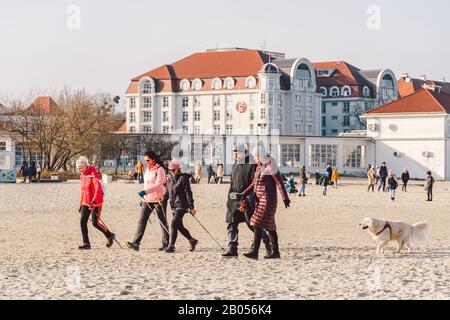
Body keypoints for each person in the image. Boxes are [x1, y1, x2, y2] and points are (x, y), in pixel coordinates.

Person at [238, 142, 290, 260]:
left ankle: (254, 251)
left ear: (260, 155)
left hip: (268, 200)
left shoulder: (271, 166)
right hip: (259, 199)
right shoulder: (259, 166)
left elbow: (279, 182)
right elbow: (253, 184)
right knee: (270, 227)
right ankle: (275, 252)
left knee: (256, 222)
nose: (255, 159)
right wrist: (244, 193)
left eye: (256, 156)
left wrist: (285, 198)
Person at [222, 143, 271, 257]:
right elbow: (232, 184)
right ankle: (232, 248)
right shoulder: (235, 165)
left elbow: (254, 184)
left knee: (252, 224)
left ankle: (267, 243)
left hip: (248, 200)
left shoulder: (252, 164)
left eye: (237, 152)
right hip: (234, 200)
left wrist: (248, 198)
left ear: (244, 153)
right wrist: (229, 198)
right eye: (233, 152)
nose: (235, 154)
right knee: (231, 223)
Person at [127, 151, 170, 251]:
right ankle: (136, 243)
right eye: (145, 160)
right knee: (141, 221)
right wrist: (143, 197)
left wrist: (145, 191)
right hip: (147, 199)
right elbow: (146, 184)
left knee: (162, 222)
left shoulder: (160, 169)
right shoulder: (147, 169)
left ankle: (166, 244)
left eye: (148, 160)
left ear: (153, 159)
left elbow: (159, 185)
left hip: (159, 199)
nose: (146, 162)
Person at [76, 156, 116, 250]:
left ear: (86, 166)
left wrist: (94, 202)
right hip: (86, 202)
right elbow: (82, 191)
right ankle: (86, 243)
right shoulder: (82, 175)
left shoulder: (93, 174)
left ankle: (109, 235)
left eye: (80, 168)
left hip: (96, 202)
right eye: (78, 168)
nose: (79, 170)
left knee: (95, 223)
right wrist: (81, 204)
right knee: (82, 222)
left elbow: (98, 189)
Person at [163, 159, 198, 253]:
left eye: (172, 170)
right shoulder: (169, 179)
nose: (170, 171)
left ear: (177, 169)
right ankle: (192, 240)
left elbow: (188, 193)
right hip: (173, 205)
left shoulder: (183, 178)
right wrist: (163, 200)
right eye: (170, 170)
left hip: (182, 205)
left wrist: (192, 207)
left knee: (174, 223)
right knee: (179, 226)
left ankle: (171, 246)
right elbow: (167, 192)